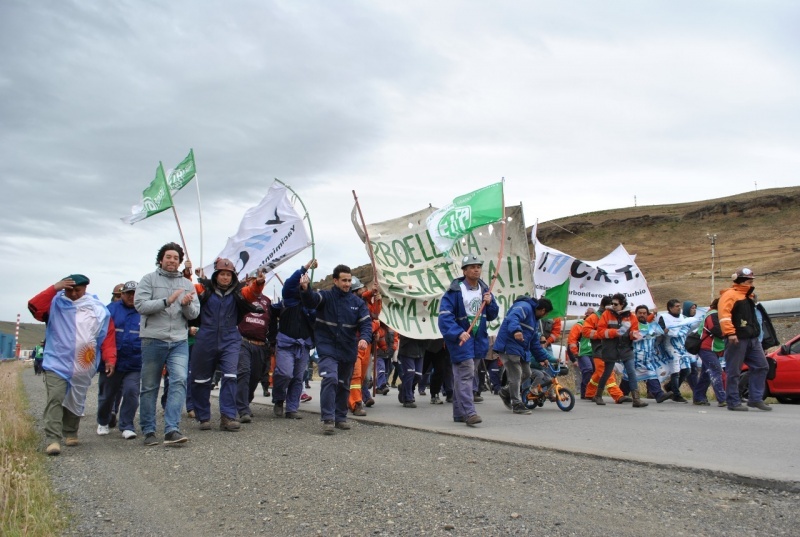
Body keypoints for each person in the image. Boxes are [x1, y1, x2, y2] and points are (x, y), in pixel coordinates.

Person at [28, 274, 116, 455]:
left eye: (78, 290)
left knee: (76, 398)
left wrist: (110, 358)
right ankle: (53, 439)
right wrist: (54, 288)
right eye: (69, 290)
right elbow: (34, 306)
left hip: (84, 363)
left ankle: (70, 431)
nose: (74, 294)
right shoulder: (54, 304)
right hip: (56, 361)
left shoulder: (97, 309)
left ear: (85, 289)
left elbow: (107, 335)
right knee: (55, 397)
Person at [135, 242, 199, 446]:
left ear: (180, 262)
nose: (172, 260)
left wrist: (186, 305)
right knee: (150, 386)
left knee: (179, 380)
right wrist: (166, 301)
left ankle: (172, 429)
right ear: (161, 259)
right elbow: (140, 305)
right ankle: (148, 430)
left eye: (176, 258)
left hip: (179, 340)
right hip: (153, 339)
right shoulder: (148, 279)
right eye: (168, 257)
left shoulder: (188, 284)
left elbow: (194, 314)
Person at [191, 258, 265, 431]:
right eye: (222, 274)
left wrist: (258, 284)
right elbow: (187, 290)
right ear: (216, 275)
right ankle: (203, 417)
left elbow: (251, 292)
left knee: (231, 376)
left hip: (230, 338)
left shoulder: (238, 292)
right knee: (201, 379)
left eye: (228, 274)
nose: (225, 277)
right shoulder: (204, 289)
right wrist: (188, 274)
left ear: (232, 277)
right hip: (205, 337)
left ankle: (228, 416)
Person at [301, 264, 373, 435]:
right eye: (344, 280)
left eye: (349, 281)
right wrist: (305, 289)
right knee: (331, 379)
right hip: (327, 348)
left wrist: (364, 338)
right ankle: (328, 418)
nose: (347, 284)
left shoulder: (358, 303)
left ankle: (340, 417)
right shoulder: (325, 297)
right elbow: (311, 300)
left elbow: (366, 324)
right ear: (335, 280)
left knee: (343, 384)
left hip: (348, 350)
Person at [438, 254, 499, 427]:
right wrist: (458, 333)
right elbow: (444, 317)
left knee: (465, 375)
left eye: (478, 266)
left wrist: (491, 302)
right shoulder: (454, 292)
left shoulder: (485, 290)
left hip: (479, 339)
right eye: (472, 267)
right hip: (461, 340)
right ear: (464, 271)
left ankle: (459, 412)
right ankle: (469, 412)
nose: (476, 269)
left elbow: (493, 315)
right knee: (466, 373)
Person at [719, 267, 771, 411]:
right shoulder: (730, 295)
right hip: (737, 339)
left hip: (752, 339)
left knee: (762, 366)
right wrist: (730, 333)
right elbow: (724, 316)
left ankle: (755, 399)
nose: (751, 282)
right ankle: (733, 401)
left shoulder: (748, 296)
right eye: (749, 280)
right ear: (741, 280)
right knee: (734, 371)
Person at [271, 260, 316, 420]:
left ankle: (292, 408)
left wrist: (307, 290)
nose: (302, 284)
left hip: (303, 345)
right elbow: (290, 284)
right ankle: (278, 399)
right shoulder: (288, 297)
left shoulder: (310, 304)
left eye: (305, 283)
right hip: (285, 343)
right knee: (284, 374)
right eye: (301, 282)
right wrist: (304, 268)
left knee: (298, 378)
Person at [97, 281, 142, 439]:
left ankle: (127, 425)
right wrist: (107, 358)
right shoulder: (110, 310)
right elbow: (103, 337)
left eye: (134, 293)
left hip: (135, 362)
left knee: (131, 392)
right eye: (128, 293)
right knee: (107, 395)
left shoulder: (144, 311)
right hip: (111, 362)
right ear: (121, 295)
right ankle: (103, 421)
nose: (131, 296)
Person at [494, 296, 553, 414]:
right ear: (542, 310)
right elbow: (513, 317)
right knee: (516, 374)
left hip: (521, 349)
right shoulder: (524, 307)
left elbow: (535, 343)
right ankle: (517, 403)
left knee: (527, 373)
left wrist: (543, 358)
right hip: (509, 345)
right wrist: (516, 330)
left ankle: (505, 392)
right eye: (545, 314)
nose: (545, 316)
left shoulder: (535, 322)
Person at [594, 293, 647, 407]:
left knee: (631, 372)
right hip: (610, 348)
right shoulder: (606, 314)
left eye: (616, 304)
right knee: (607, 373)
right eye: (612, 303)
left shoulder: (631, 316)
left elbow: (634, 330)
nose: (613, 305)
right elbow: (600, 331)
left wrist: (634, 335)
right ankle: (598, 395)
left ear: (622, 304)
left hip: (625, 348)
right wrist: (615, 332)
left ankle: (636, 399)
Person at [235, 270, 273, 423]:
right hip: (243, 341)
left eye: (255, 280)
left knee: (255, 376)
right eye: (250, 280)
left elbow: (271, 322)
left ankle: (246, 402)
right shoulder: (241, 297)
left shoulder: (267, 301)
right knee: (244, 372)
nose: (253, 282)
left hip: (260, 344)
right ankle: (242, 409)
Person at [583, 296, 631, 404]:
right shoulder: (594, 317)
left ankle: (590, 393)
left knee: (599, 373)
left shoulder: (615, 316)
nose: (614, 307)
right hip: (599, 349)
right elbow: (585, 332)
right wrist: (602, 334)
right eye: (612, 305)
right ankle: (618, 396)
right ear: (605, 306)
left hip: (611, 349)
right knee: (608, 373)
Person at [348, 276, 381, 416]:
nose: (363, 290)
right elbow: (365, 323)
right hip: (354, 343)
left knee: (361, 376)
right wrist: (375, 325)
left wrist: (376, 297)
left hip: (366, 344)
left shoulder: (363, 303)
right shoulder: (350, 305)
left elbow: (374, 313)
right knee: (355, 376)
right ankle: (356, 404)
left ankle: (352, 399)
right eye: (360, 288)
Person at [658, 299, 701, 403]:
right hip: (671, 347)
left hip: (682, 347)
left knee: (687, 370)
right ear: (670, 308)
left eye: (679, 306)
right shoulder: (664, 318)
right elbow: (659, 331)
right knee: (675, 371)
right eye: (676, 306)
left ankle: (670, 387)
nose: (679, 308)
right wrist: (664, 331)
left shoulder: (682, 317)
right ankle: (676, 394)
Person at [628, 305, 672, 403]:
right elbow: (631, 337)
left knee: (648, 374)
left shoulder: (651, 326)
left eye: (644, 313)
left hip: (647, 358)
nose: (642, 315)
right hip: (635, 357)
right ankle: (658, 394)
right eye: (640, 313)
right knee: (640, 375)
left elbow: (657, 337)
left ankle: (658, 394)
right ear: (636, 314)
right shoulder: (633, 325)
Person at [691, 299, 727, 407]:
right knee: (716, 371)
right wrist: (729, 333)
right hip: (707, 348)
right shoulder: (712, 314)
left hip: (713, 348)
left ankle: (698, 397)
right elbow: (714, 329)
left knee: (706, 374)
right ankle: (722, 399)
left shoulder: (717, 314)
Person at [567, 308, 595, 399]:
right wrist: (575, 354)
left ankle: (590, 392)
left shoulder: (596, 326)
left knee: (595, 372)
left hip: (594, 353)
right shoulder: (579, 326)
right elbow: (571, 341)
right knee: (588, 370)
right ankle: (585, 391)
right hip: (582, 353)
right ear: (586, 315)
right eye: (590, 315)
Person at [397, 335, 427, 408]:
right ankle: (408, 399)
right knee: (410, 374)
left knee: (418, 376)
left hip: (420, 349)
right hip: (407, 350)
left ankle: (404, 386)